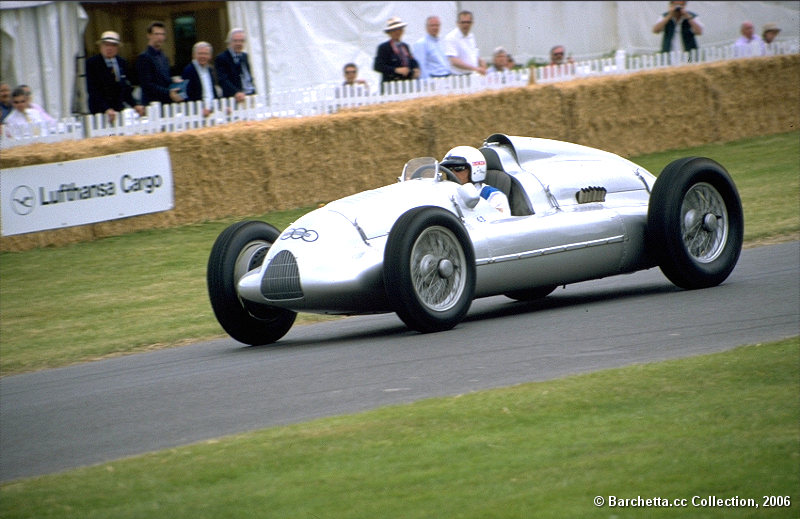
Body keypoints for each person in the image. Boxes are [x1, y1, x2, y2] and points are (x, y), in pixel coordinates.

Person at [86, 30, 144, 123]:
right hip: (99, 111)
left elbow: (125, 88)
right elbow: (93, 90)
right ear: (101, 46)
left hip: (118, 109)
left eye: (113, 45)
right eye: (106, 45)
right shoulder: (92, 63)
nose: (109, 48)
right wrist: (106, 109)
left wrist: (135, 105)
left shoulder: (122, 62)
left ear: (117, 48)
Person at [441, 145, 510, 214]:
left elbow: (502, 220)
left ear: (475, 169)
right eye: (449, 169)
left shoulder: (494, 196)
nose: (452, 173)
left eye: (458, 168)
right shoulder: (447, 195)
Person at [136, 21, 184, 105]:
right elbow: (147, 85)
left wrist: (172, 80)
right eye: (157, 34)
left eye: (162, 34)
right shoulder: (144, 57)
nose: (160, 37)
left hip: (165, 103)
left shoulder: (164, 56)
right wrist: (168, 92)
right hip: (152, 104)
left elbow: (162, 79)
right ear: (149, 35)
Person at [373, 17, 420, 91]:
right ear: (389, 33)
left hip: (406, 85)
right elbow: (378, 66)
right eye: (394, 30)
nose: (397, 32)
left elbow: (412, 60)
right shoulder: (384, 47)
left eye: (399, 29)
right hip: (391, 86)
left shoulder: (405, 46)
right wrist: (396, 70)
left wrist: (416, 68)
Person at [215, 28, 256, 103]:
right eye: (236, 41)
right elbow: (222, 80)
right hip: (233, 99)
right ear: (229, 42)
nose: (238, 44)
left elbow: (248, 76)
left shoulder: (244, 56)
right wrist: (236, 92)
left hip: (249, 96)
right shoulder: (222, 58)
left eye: (241, 41)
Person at [181, 41, 219, 117]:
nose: (203, 56)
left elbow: (213, 91)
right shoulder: (189, 70)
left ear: (210, 56)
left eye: (206, 54)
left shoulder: (210, 70)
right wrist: (199, 110)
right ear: (194, 55)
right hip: (197, 113)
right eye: (200, 53)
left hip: (212, 111)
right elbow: (186, 94)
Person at [443, 10, 487, 76]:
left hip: (472, 74)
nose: (466, 25)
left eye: (468, 22)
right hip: (458, 76)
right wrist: (475, 69)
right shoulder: (451, 37)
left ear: (472, 23)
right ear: (457, 23)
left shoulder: (471, 36)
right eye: (463, 22)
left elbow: (474, 54)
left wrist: (481, 62)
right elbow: (453, 61)